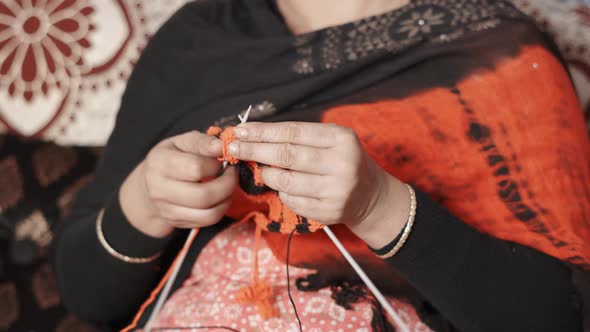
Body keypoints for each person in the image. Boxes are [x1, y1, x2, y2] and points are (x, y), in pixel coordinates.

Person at [53, 0, 590, 331]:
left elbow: (560, 317)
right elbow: (86, 297)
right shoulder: (193, 43)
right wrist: (146, 204)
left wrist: (379, 206)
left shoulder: (496, 49)